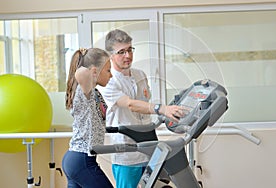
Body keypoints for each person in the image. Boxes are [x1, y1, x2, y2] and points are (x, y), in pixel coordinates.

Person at [99, 29, 185, 188]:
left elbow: (145, 106)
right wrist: (162, 109)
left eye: (130, 49)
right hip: (126, 154)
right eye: (121, 52)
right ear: (110, 55)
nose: (128, 55)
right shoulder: (108, 81)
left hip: (149, 150)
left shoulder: (140, 75)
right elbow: (130, 104)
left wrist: (167, 113)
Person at [62, 48, 113, 188]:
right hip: (81, 159)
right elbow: (81, 73)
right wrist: (86, 58)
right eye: (108, 70)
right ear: (95, 70)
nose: (111, 75)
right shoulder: (85, 92)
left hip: (77, 159)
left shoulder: (94, 92)